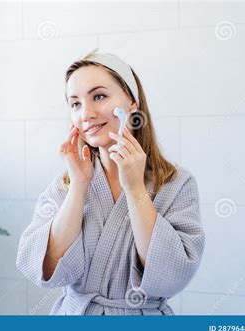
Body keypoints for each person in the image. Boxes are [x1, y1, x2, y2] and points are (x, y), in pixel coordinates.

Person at [16, 50, 205, 315]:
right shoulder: (65, 187)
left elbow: (170, 275)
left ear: (131, 102)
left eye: (99, 96)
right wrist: (79, 187)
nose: (86, 113)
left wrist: (136, 188)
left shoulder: (176, 184)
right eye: (75, 104)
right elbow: (44, 268)